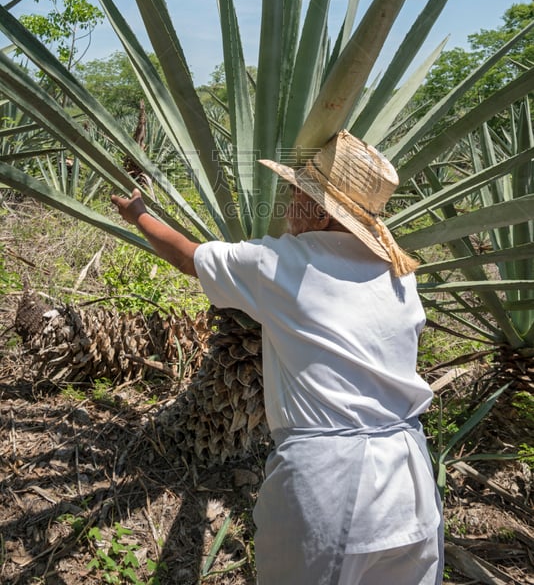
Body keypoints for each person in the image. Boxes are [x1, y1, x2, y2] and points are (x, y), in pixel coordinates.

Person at [111, 130, 444, 585]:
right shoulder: (400, 273)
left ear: (321, 211)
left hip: (329, 477)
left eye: (295, 192)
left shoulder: (281, 263)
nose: (287, 203)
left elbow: (189, 258)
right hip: (412, 477)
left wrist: (138, 216)